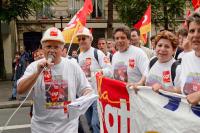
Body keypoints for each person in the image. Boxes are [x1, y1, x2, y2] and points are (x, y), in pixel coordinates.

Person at [17, 27, 93, 133]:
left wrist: (81, 102)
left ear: (62, 49)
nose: (52, 50)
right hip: (41, 127)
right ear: (43, 48)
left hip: (68, 127)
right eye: (48, 46)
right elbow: (20, 90)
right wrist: (37, 72)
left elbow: (86, 89)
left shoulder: (72, 65)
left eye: (56, 47)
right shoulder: (34, 66)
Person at [76, 26, 111, 133]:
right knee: (89, 124)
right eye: (79, 39)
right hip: (86, 96)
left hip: (98, 95)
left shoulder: (97, 53)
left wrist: (98, 73)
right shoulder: (79, 56)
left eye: (84, 38)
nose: (81, 41)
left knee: (96, 123)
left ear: (90, 39)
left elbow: (109, 69)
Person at [177, 12, 200, 105]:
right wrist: (163, 89)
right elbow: (183, 88)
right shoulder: (185, 58)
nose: (195, 35)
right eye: (192, 31)